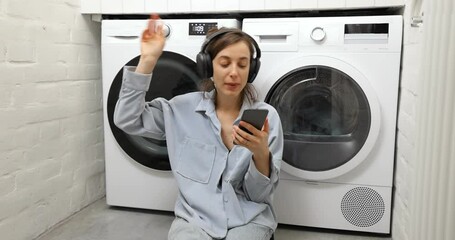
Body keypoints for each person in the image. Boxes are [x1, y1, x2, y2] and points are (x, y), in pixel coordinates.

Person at [114, 14, 283, 240]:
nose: (234, 72)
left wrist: (260, 154)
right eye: (224, 63)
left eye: (242, 65)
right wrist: (148, 61)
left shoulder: (267, 117)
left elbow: (258, 195)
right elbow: (126, 119)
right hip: (194, 222)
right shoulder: (179, 110)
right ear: (207, 66)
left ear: (251, 71)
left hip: (249, 221)